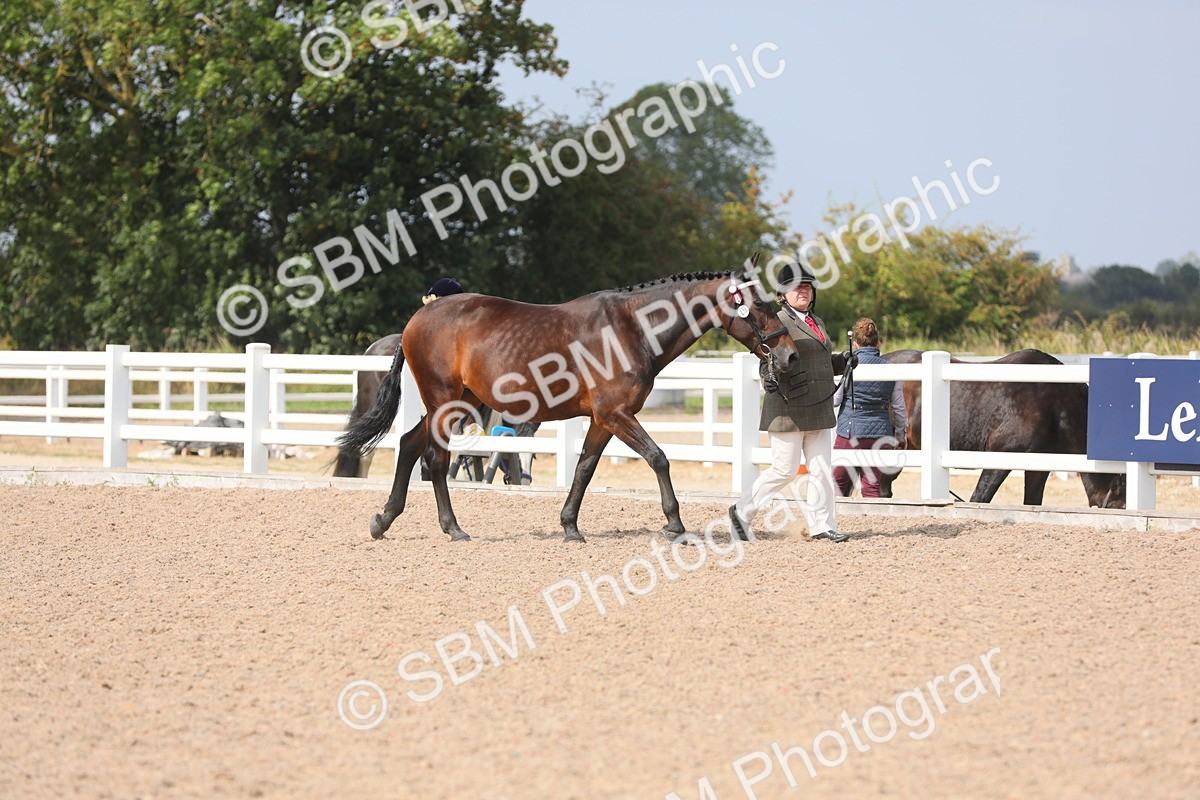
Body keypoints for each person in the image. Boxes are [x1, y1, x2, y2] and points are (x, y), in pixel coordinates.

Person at [729, 263, 853, 543]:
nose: (803, 291)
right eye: (797, 287)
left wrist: (841, 361)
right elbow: (766, 357)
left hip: (818, 408)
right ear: (783, 294)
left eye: (807, 287)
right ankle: (741, 512)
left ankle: (822, 525)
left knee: (822, 470)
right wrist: (766, 378)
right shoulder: (777, 320)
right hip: (789, 406)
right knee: (784, 470)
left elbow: (819, 361)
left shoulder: (817, 322)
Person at [832, 318, 907, 498]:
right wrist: (900, 435)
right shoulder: (891, 369)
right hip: (880, 433)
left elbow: (835, 400)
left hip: (849, 432)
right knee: (872, 486)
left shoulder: (850, 366)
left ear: (855, 344)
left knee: (837, 483)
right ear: (878, 343)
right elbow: (898, 409)